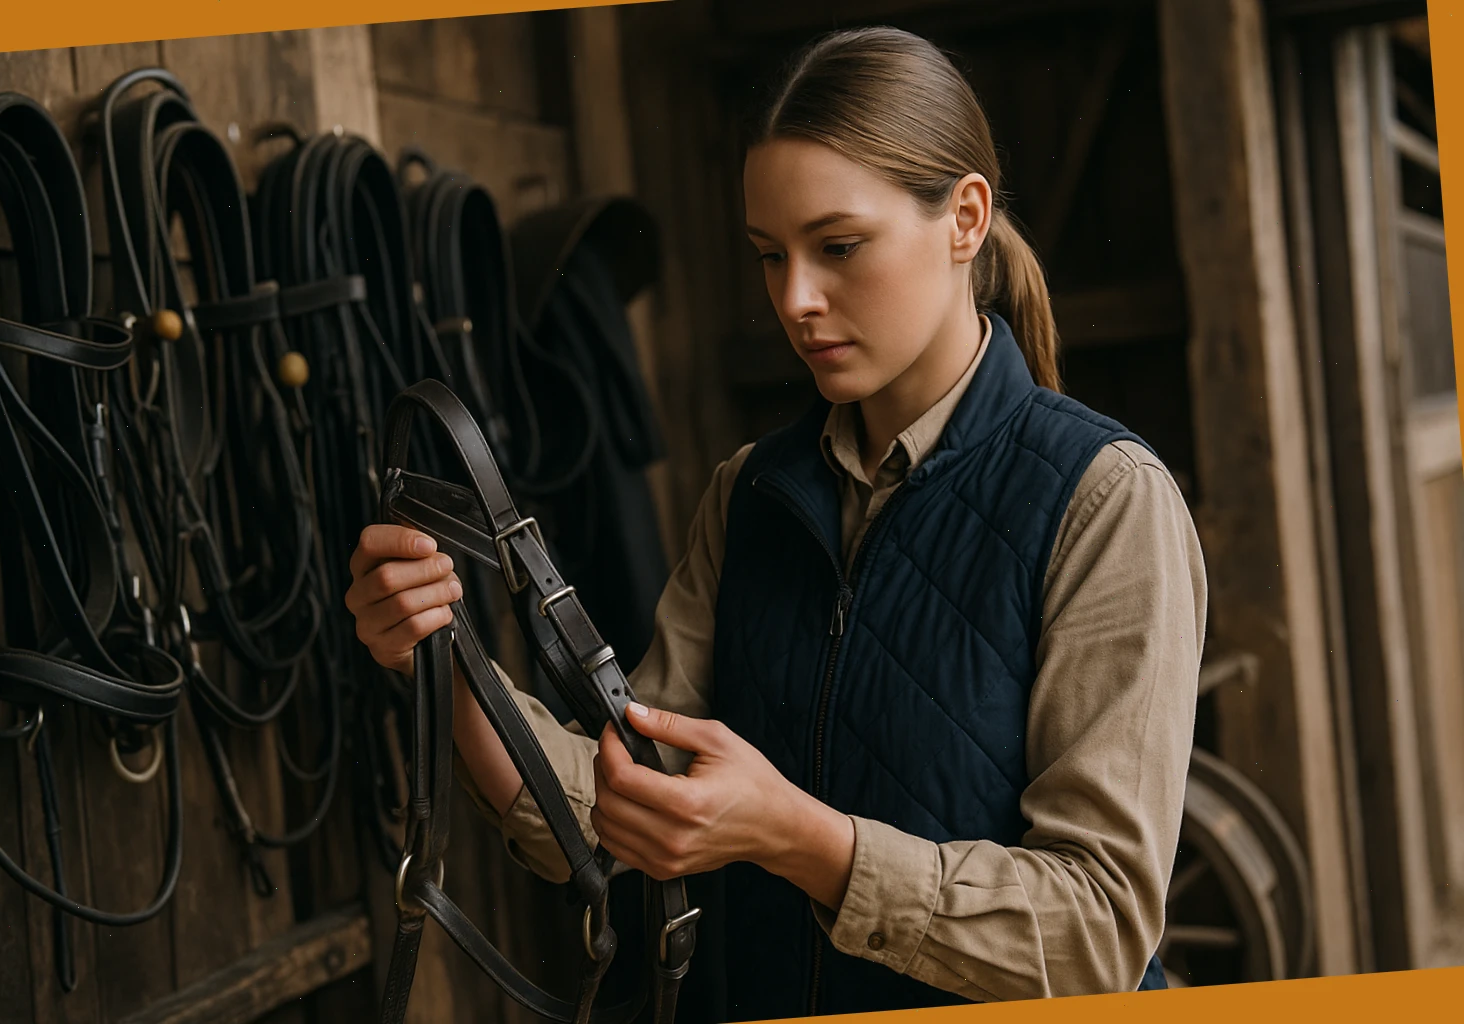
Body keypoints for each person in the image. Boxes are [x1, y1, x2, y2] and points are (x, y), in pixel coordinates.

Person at [345, 24, 1206, 1021]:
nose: (795, 300)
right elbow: (617, 806)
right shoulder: (749, 494)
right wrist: (442, 659)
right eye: (769, 255)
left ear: (965, 218)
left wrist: (798, 838)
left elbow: (1098, 934)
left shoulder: (1102, 500)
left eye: (838, 247)